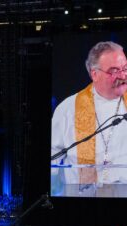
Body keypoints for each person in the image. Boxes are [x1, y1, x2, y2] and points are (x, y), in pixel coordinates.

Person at [51, 41, 127, 195]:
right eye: (114, 71)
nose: (123, 75)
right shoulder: (68, 109)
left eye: (125, 68)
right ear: (94, 74)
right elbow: (53, 157)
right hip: (83, 200)